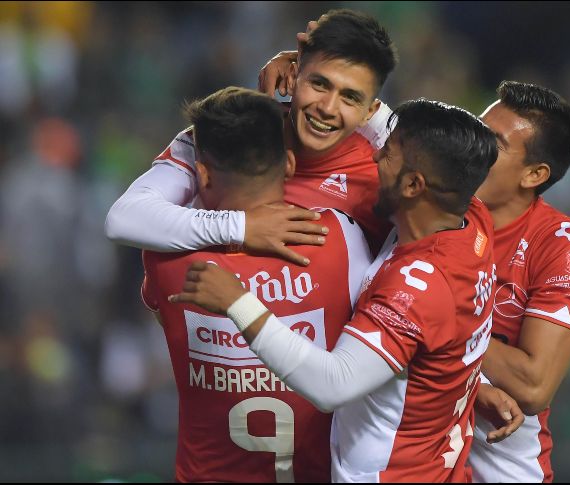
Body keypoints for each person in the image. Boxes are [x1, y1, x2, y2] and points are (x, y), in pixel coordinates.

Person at [169, 99, 520, 482]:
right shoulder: (472, 221)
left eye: (388, 155)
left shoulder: (415, 289)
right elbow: (443, 344)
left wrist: (237, 302)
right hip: (439, 465)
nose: (373, 159)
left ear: (413, 184)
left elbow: (332, 384)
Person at [141, 86, 375, 482]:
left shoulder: (168, 259)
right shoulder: (341, 239)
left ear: (201, 174)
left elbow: (162, 311)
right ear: (288, 164)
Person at [105, 9, 398, 264]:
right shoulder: (229, 132)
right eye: (319, 84)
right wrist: (243, 227)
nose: (327, 108)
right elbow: (124, 219)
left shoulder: (382, 171)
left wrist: (376, 118)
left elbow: (440, 153)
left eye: (350, 97)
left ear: (369, 110)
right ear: (294, 76)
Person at [469, 81, 570, 482]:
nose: (471, 147)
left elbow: (533, 385)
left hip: (502, 468)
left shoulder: (562, 247)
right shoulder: (427, 211)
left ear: (534, 174)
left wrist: (437, 325)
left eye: (492, 142)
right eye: (475, 130)